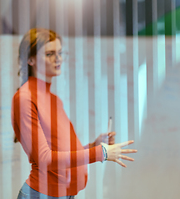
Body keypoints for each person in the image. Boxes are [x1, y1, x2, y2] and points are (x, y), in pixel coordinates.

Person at [11, 28, 137, 199]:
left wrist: (93, 146)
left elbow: (61, 151)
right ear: (30, 60)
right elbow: (44, 159)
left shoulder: (53, 99)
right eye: (50, 54)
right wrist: (101, 153)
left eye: (60, 53)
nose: (58, 59)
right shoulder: (25, 98)